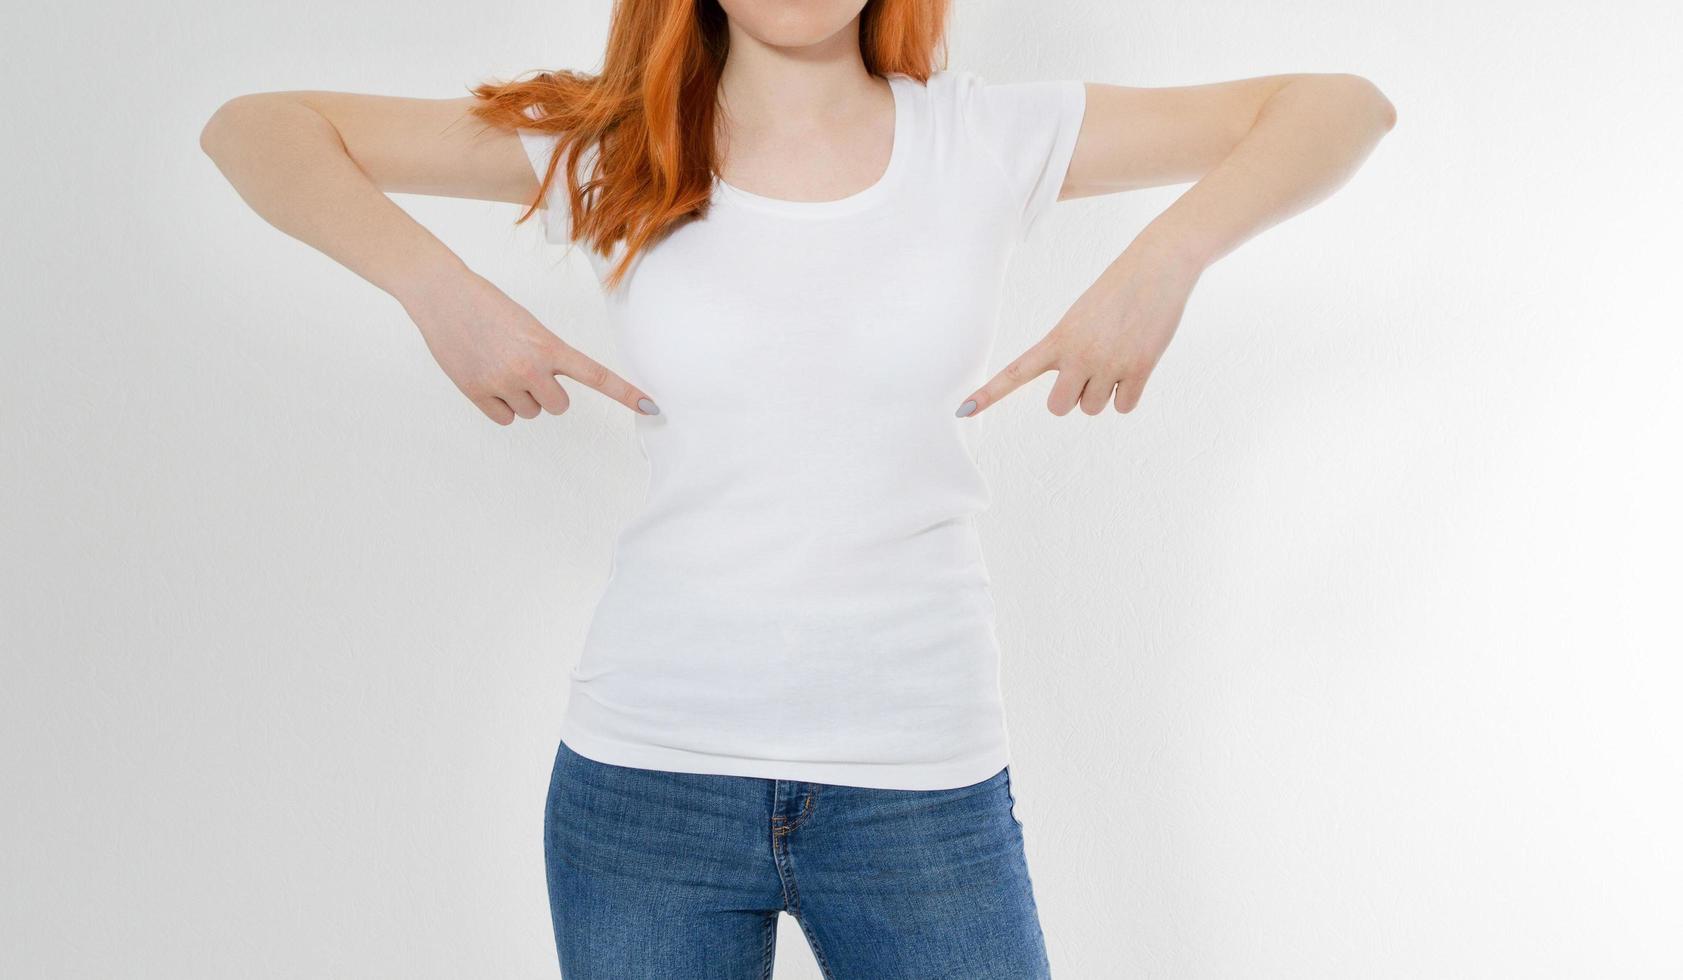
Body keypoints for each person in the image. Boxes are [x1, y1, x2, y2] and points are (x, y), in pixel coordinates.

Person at [199, 0, 1394, 975]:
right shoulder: (612, 143)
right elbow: (257, 125)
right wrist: (435, 288)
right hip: (642, 790)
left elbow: (1340, 105)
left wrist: (1166, 259)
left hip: (921, 791)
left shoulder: (984, 137)